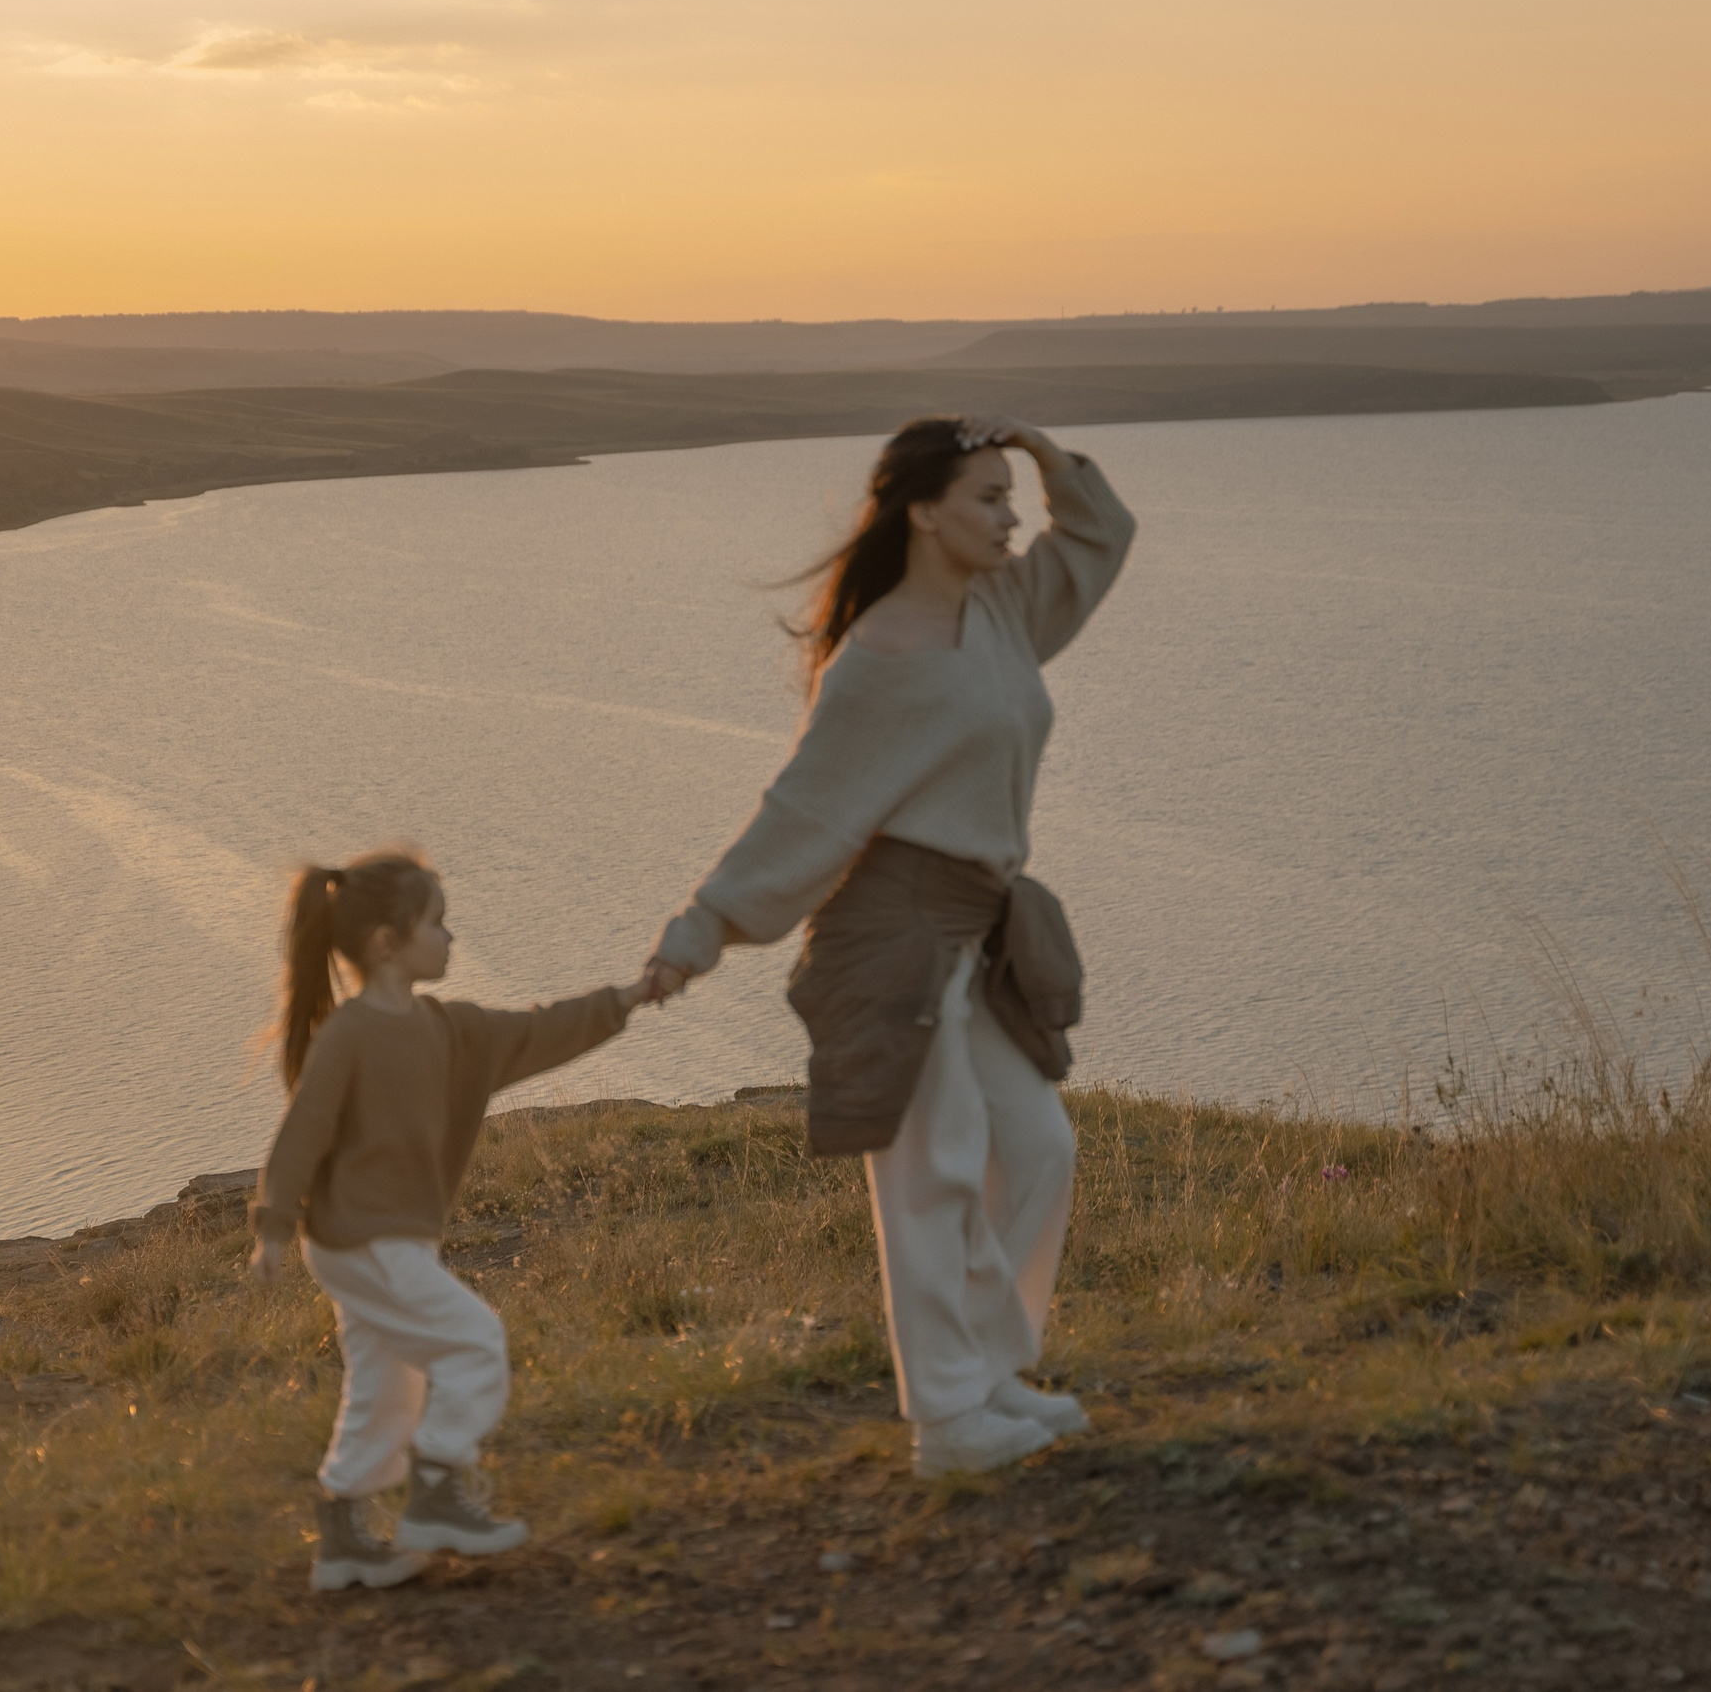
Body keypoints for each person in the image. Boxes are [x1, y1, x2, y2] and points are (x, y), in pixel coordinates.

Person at [642, 414, 1135, 1478]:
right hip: (894, 932)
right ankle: (948, 1423)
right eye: (989, 499)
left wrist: (1043, 452)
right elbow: (804, 813)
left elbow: (1100, 538)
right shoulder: (876, 658)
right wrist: (699, 931)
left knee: (1037, 1148)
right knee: (933, 1173)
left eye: (1011, 498)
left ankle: (989, 1373)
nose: (1011, 519)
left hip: (975, 928)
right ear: (923, 513)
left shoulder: (1003, 609)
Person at [249, 850, 656, 1592]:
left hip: (387, 1240)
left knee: (387, 1383)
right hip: (361, 1239)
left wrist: (628, 996)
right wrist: (273, 1227)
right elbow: (301, 1132)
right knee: (475, 1342)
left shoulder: (451, 1030)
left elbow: (541, 1029)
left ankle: (344, 1538)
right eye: (437, 923)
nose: (451, 937)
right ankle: (437, 1487)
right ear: (387, 944)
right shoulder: (349, 1035)